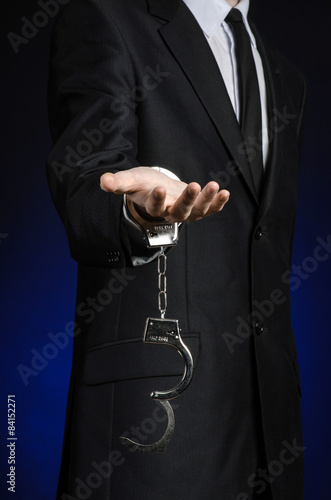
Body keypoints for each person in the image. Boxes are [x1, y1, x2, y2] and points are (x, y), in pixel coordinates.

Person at [47, 0, 306, 498]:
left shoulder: (287, 78)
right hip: (154, 427)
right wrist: (137, 213)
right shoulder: (104, 17)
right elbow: (83, 189)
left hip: (273, 432)